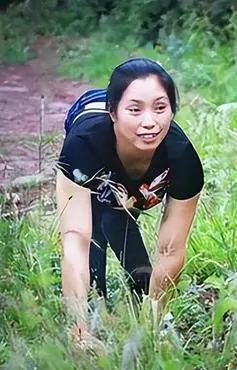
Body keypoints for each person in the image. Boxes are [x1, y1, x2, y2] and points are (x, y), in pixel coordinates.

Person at [55, 57, 204, 344]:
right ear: (113, 112)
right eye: (135, 110)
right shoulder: (83, 145)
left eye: (161, 108)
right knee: (95, 226)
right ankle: (86, 317)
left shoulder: (182, 156)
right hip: (94, 138)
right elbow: (75, 239)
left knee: (122, 211)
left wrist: (152, 323)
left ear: (173, 110)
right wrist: (78, 330)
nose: (150, 122)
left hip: (137, 181)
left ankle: (140, 303)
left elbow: (171, 250)